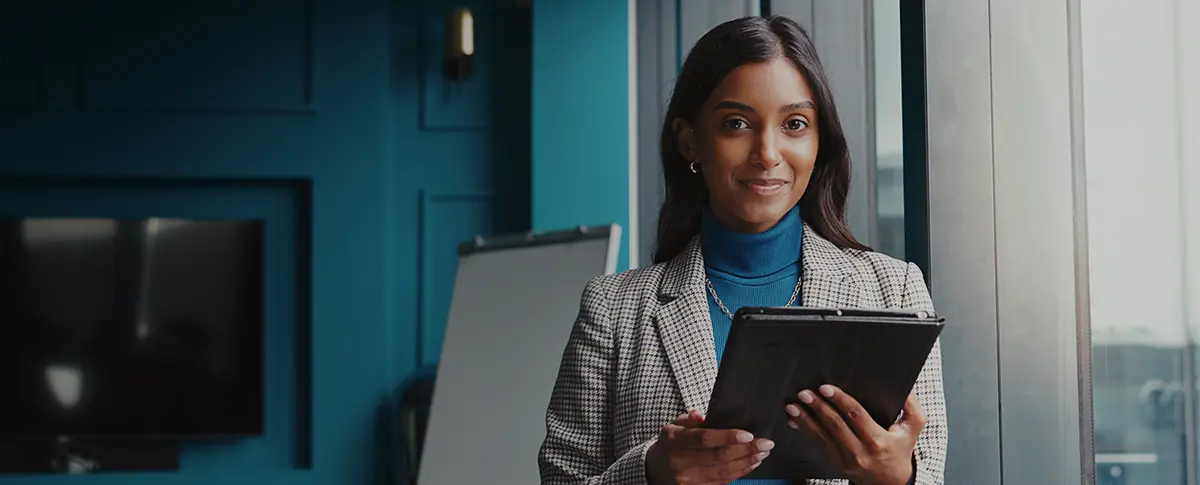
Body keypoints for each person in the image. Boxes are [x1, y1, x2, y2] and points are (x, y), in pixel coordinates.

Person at [538, 15, 946, 485]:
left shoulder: (893, 290)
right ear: (689, 140)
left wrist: (899, 478)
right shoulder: (613, 310)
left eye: (795, 124)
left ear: (819, 142)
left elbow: (929, 471)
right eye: (736, 123)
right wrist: (650, 473)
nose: (767, 153)